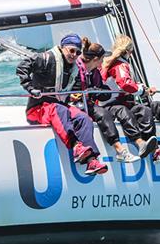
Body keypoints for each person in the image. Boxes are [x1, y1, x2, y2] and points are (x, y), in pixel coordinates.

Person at [16, 33, 108, 175]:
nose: (74, 55)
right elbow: (22, 67)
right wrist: (30, 88)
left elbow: (76, 90)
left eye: (77, 52)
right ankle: (76, 146)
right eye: (71, 50)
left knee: (84, 118)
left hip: (58, 107)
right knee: (59, 109)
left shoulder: (74, 68)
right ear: (62, 47)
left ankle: (92, 161)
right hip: (37, 110)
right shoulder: (45, 58)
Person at [73, 38, 140, 163]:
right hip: (75, 104)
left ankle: (128, 148)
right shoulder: (76, 68)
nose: (104, 62)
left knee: (103, 112)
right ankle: (119, 150)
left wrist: (102, 91)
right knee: (103, 114)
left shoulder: (94, 72)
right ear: (95, 59)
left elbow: (99, 89)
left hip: (88, 104)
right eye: (102, 58)